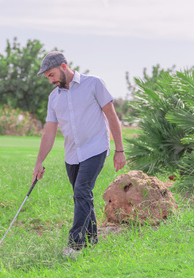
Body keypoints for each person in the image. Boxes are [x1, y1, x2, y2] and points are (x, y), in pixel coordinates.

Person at [32, 51, 126, 257]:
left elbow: (111, 116)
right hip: (72, 154)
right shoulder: (53, 98)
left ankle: (75, 244)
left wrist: (119, 150)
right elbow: (49, 132)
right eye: (47, 76)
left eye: (51, 74)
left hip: (96, 148)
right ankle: (93, 242)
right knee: (83, 197)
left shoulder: (93, 84)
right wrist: (39, 162)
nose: (50, 80)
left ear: (63, 66)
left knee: (81, 191)